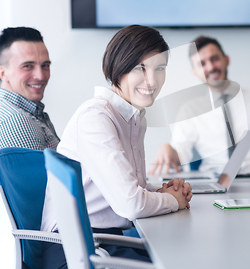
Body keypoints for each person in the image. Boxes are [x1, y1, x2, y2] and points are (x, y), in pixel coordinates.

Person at [41, 25, 193, 266]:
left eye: (160, 69)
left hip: (105, 239)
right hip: (74, 249)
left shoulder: (133, 116)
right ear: (118, 68)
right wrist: (174, 201)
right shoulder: (96, 117)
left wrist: (162, 191)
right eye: (139, 68)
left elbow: (133, 189)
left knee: (184, 254)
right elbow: (131, 204)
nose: (151, 81)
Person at [148, 35, 250, 175]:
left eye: (214, 59)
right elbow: (180, 152)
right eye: (202, 64)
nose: (211, 67)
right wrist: (167, 149)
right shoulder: (189, 110)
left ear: (226, 60)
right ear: (195, 72)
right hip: (214, 183)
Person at [0, 27, 59, 150]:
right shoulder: (17, 122)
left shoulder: (25, 111)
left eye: (45, 65)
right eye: (27, 66)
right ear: (3, 73)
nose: (40, 76)